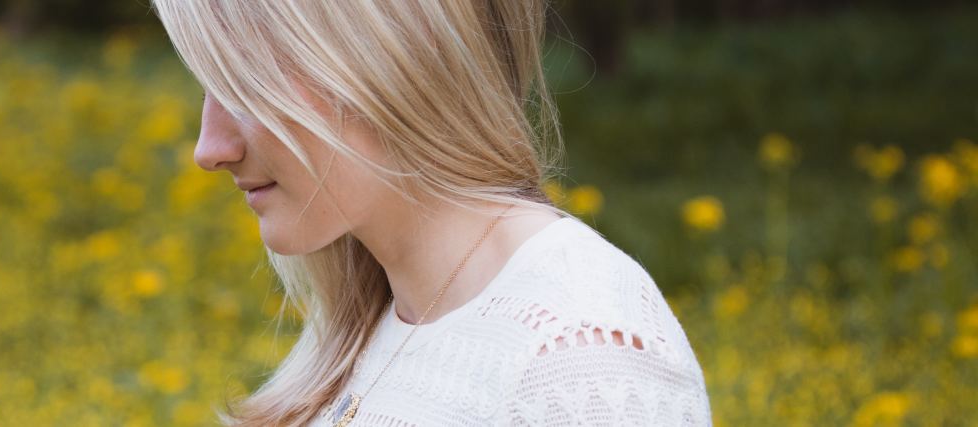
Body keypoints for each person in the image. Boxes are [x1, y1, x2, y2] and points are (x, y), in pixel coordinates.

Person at [151, 1, 713, 425]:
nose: (210, 148)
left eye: (245, 84)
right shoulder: (376, 317)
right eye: (209, 86)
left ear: (388, 57)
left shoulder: (583, 361)